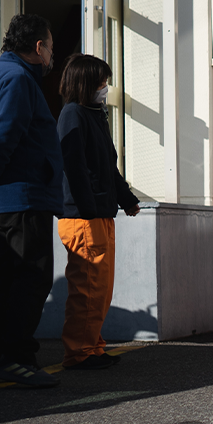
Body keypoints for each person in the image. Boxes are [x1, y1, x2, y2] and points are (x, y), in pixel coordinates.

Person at [0, 14, 64, 388]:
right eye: (50, 47)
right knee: (31, 279)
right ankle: (16, 358)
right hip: (22, 196)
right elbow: (4, 134)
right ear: (38, 47)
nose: (52, 55)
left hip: (4, 197)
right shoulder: (19, 79)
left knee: (6, 279)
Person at [57, 55, 141, 369]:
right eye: (100, 82)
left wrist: (126, 199)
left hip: (98, 215)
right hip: (83, 218)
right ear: (85, 83)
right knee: (87, 289)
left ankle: (92, 347)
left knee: (100, 290)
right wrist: (91, 208)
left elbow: (107, 167)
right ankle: (79, 352)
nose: (105, 88)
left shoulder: (93, 114)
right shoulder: (73, 114)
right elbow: (75, 168)